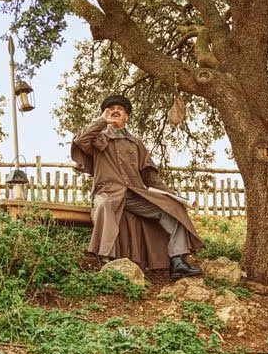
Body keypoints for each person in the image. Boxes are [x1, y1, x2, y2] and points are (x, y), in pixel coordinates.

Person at [71, 94, 204, 279]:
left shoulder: (136, 143)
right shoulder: (97, 138)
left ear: (127, 116)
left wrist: (170, 195)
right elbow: (80, 141)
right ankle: (105, 261)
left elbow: (150, 175)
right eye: (111, 109)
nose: (115, 111)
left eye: (120, 108)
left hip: (134, 195)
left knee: (171, 209)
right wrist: (102, 121)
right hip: (107, 193)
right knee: (104, 206)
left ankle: (178, 260)